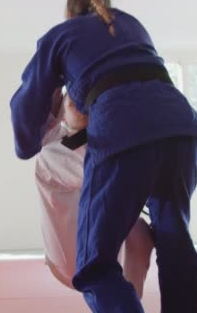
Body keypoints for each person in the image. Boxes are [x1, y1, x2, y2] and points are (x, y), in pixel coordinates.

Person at [9, 0, 197, 312]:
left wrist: (28, 139)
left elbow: (25, 111)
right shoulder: (131, 25)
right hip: (182, 132)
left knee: (95, 267)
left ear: (69, 13)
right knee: (175, 245)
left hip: (123, 138)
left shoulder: (61, 36)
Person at [36, 88, 154, 299]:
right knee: (50, 158)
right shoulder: (52, 155)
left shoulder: (103, 145)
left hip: (102, 257)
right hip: (70, 261)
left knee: (139, 232)